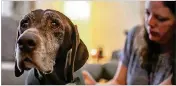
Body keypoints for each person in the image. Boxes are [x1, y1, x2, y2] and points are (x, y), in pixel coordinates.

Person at [82, 1, 176, 85]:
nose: (150, 22)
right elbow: (119, 82)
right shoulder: (135, 35)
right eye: (147, 13)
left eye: (160, 18)